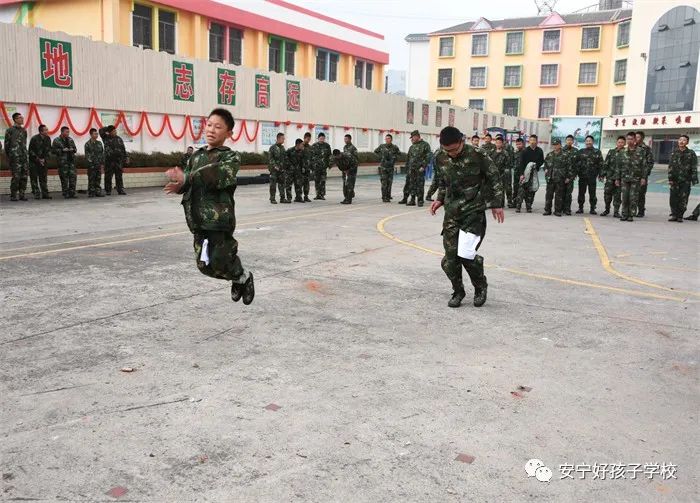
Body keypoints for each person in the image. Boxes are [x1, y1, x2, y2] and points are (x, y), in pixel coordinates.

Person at [163, 108, 254, 305]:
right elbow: (189, 181)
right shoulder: (195, 156)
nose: (211, 130)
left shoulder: (230, 157)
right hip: (197, 220)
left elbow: (217, 175)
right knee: (204, 266)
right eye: (209, 125)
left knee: (221, 259)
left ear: (229, 133)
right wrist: (180, 186)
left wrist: (188, 177)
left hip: (218, 220)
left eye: (218, 127)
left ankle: (243, 277)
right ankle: (238, 277)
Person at [430, 126, 504, 308]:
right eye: (448, 151)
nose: (452, 154)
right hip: (452, 212)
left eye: (455, 150)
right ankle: (458, 291)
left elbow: (494, 177)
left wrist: (497, 203)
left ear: (462, 141)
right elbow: (442, 181)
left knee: (466, 254)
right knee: (449, 260)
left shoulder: (478, 155)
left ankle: (480, 287)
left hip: (473, 211)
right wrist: (440, 199)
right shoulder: (439, 156)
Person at [614, 132, 646, 222]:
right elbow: (618, 166)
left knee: (633, 197)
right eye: (628, 139)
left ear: (635, 140)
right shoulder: (622, 151)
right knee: (625, 197)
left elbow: (644, 165)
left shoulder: (641, 151)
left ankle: (631, 214)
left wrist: (643, 177)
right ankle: (624, 214)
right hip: (624, 178)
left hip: (636, 178)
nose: (629, 141)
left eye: (631, 139)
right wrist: (617, 178)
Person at [667, 134, 698, 222]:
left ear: (687, 142)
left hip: (686, 180)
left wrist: (694, 179)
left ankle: (680, 215)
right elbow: (670, 166)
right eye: (680, 140)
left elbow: (694, 166)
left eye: (684, 140)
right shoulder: (674, 152)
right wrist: (670, 178)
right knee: (673, 198)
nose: (681, 141)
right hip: (675, 180)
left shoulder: (691, 153)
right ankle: (674, 215)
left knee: (683, 198)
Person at [542, 139, 572, 217]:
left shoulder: (565, 155)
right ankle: (547, 210)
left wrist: (568, 177)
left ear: (560, 145)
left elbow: (569, 167)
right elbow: (545, 165)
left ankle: (557, 211)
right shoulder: (549, 155)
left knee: (559, 196)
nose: (555, 146)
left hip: (560, 178)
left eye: (557, 144)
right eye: (554, 145)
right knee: (549, 195)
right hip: (550, 178)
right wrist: (545, 169)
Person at [4, 112, 29, 201]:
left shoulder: (24, 130)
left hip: (23, 157)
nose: (22, 119)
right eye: (20, 118)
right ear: (15, 119)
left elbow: (24, 143)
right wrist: (10, 156)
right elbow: (6, 145)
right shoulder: (10, 130)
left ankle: (22, 194)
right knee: (16, 176)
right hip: (15, 157)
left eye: (22, 117)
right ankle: (13, 195)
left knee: (24, 176)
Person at [516, 134, 544, 212]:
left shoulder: (539, 151)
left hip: (533, 173)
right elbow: (521, 163)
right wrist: (521, 174)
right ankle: (518, 207)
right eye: (531, 140)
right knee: (521, 190)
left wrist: (536, 165)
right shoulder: (525, 151)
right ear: (529, 141)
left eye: (534, 140)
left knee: (531, 191)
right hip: (525, 173)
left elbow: (541, 161)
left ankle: (529, 206)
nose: (532, 142)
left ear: (537, 141)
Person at [576, 135, 603, 214]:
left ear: (593, 142)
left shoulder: (597, 152)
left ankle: (592, 208)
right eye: (587, 141)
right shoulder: (581, 151)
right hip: (582, 176)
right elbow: (576, 163)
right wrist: (576, 173)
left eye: (590, 141)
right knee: (581, 193)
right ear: (585, 142)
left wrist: (601, 175)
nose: (588, 142)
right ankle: (580, 208)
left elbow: (601, 164)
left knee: (592, 193)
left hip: (592, 176)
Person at [99, 125, 128, 195]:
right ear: (109, 132)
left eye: (115, 131)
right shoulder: (105, 138)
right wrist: (108, 128)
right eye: (113, 131)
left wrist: (126, 157)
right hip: (109, 161)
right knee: (108, 176)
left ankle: (120, 189)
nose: (115, 132)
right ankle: (108, 190)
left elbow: (123, 148)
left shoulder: (119, 138)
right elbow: (100, 130)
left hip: (118, 161)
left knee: (119, 176)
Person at [600, 136, 625, 217]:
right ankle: (607, 210)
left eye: (622, 142)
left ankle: (616, 212)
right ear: (616, 143)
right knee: (607, 194)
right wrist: (602, 174)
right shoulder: (611, 152)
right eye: (619, 142)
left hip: (619, 178)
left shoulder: (626, 153)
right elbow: (606, 163)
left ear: (624, 143)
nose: (620, 144)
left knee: (617, 196)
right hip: (610, 177)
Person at [405, 130, 431, 207]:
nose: (412, 139)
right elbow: (408, 158)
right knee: (412, 184)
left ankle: (420, 200)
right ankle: (412, 200)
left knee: (420, 185)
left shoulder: (425, 145)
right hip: (411, 169)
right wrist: (407, 168)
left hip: (420, 169)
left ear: (417, 136)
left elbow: (428, 156)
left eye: (412, 137)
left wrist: (423, 166)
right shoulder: (412, 147)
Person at [52, 126, 78, 198]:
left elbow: (75, 149)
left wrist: (72, 149)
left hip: (71, 162)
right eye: (66, 132)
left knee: (73, 178)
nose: (68, 133)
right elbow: (53, 151)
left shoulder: (70, 139)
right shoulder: (56, 140)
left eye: (68, 132)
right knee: (64, 179)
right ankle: (65, 193)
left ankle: (72, 193)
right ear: (62, 132)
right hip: (63, 163)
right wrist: (62, 150)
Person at [374, 133, 401, 202]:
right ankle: (384, 197)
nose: (387, 140)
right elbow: (375, 152)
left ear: (391, 139)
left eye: (388, 138)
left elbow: (399, 154)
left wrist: (394, 158)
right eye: (386, 139)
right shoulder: (382, 146)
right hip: (383, 167)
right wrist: (381, 157)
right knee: (384, 182)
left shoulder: (394, 147)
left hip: (391, 168)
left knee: (389, 182)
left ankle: (388, 196)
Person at [28, 124, 52, 199]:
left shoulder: (48, 138)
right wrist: (38, 159)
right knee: (34, 178)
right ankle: (36, 194)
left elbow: (49, 150)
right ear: (41, 131)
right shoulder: (34, 138)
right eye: (46, 130)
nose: (47, 131)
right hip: (34, 162)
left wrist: (44, 158)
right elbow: (30, 151)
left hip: (44, 161)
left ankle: (45, 194)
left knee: (43, 178)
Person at [635, 131, 654, 218]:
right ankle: (632, 210)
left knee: (641, 194)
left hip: (642, 175)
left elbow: (650, 162)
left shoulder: (646, 149)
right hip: (631, 175)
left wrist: (645, 174)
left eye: (638, 137)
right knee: (632, 194)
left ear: (642, 138)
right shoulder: (632, 147)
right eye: (635, 137)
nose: (636, 138)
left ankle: (641, 211)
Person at [561, 134, 579, 215]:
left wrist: (574, 175)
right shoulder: (561, 150)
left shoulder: (576, 151)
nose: (569, 141)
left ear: (573, 141)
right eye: (568, 140)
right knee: (561, 192)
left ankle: (567, 209)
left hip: (571, 176)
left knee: (568, 194)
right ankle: (560, 208)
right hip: (561, 176)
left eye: (571, 140)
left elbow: (578, 164)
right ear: (566, 141)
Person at [84, 128, 105, 197]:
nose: (96, 135)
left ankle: (98, 192)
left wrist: (102, 163)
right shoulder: (87, 144)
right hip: (91, 165)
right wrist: (91, 163)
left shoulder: (99, 143)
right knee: (91, 179)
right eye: (95, 134)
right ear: (91, 134)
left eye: (97, 134)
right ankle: (91, 192)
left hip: (98, 164)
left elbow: (102, 154)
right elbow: (87, 155)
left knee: (98, 178)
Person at [492, 135, 512, 208]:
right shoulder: (492, 152)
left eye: (500, 143)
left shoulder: (505, 153)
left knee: (504, 188)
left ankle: (505, 202)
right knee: (496, 188)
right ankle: (497, 202)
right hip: (495, 173)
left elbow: (508, 164)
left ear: (502, 144)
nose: (498, 144)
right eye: (497, 143)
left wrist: (505, 172)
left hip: (503, 173)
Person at [311, 132, 331, 200]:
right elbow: (311, 156)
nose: (322, 139)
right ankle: (317, 194)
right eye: (321, 138)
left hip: (323, 167)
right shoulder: (314, 146)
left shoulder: (327, 146)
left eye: (323, 138)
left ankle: (322, 195)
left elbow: (329, 156)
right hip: (316, 167)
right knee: (317, 180)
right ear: (318, 138)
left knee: (323, 181)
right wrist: (312, 165)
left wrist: (329, 165)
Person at [268, 132, 286, 204]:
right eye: (283, 138)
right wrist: (275, 166)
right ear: (278, 138)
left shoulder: (283, 148)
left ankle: (282, 198)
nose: (284, 140)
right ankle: (272, 198)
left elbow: (284, 158)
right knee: (273, 185)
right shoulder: (272, 148)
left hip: (281, 169)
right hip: (274, 170)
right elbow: (270, 159)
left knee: (282, 184)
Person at [287, 138, 306, 203]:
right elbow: (285, 159)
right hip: (290, 171)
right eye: (301, 144)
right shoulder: (290, 150)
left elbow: (303, 160)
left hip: (298, 171)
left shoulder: (302, 151)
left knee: (299, 184)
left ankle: (298, 197)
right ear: (297, 144)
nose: (302, 146)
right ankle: (289, 198)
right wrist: (289, 167)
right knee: (289, 185)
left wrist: (303, 167)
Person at [301, 132, 313, 202]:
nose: (308, 140)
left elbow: (311, 158)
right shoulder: (300, 146)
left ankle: (306, 196)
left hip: (307, 168)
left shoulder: (310, 147)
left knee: (307, 183)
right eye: (307, 139)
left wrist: (311, 167)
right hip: (300, 168)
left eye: (309, 139)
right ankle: (299, 196)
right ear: (304, 138)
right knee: (299, 183)